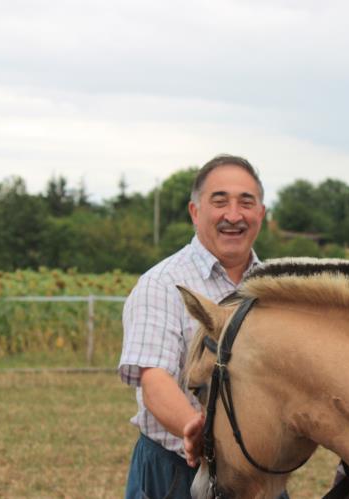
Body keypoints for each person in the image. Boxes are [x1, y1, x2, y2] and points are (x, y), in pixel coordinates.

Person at [119, 154, 288, 499]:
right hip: (175, 473)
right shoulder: (162, 284)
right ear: (195, 212)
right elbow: (154, 379)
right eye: (219, 201)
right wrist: (195, 428)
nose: (233, 215)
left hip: (258, 477)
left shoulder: (276, 290)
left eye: (246, 202)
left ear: (261, 214)